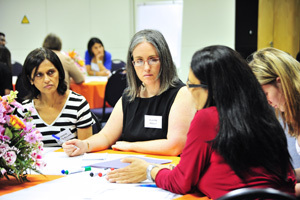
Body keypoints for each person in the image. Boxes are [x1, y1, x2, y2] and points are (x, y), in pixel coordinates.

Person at [106, 45, 296, 199]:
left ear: (211, 88)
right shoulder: (262, 111)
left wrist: (149, 170)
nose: (189, 91)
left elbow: (180, 182)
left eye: (192, 85)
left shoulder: (208, 117)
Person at [63, 29, 196, 156]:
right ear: (132, 64)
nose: (146, 67)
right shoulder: (129, 96)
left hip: (162, 171)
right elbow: (106, 136)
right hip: (129, 166)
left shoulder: (181, 94)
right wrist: (84, 145)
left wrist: (131, 146)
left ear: (164, 60)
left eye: (153, 59)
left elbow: (175, 146)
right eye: (139, 61)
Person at [248, 47, 300, 195]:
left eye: (266, 94)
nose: (267, 102)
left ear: (280, 82)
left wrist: (282, 190)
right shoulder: (290, 112)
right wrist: (284, 177)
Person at [16, 48, 94, 147]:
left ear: (60, 73)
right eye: (39, 75)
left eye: (50, 72)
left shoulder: (78, 104)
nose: (47, 79)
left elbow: (86, 150)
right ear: (30, 79)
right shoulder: (24, 111)